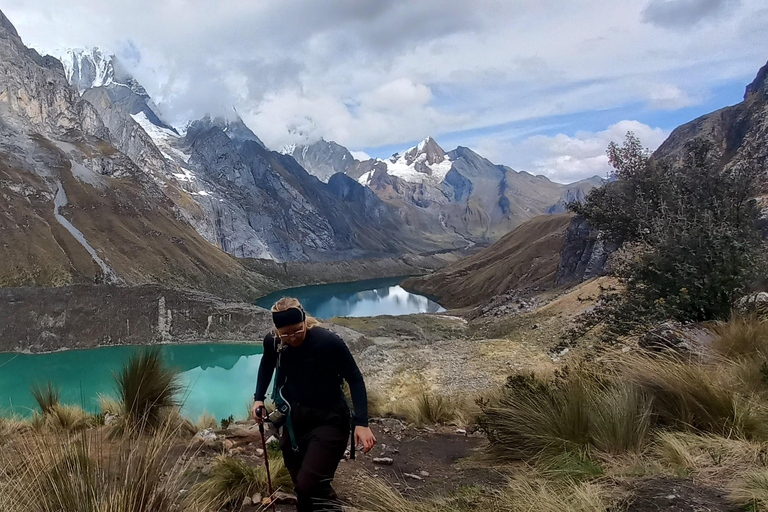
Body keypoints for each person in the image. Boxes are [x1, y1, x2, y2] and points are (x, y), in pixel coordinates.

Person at [252, 297, 376, 511]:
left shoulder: (327, 341)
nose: (292, 338)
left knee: (308, 486)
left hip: (330, 419)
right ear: (277, 329)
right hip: (295, 422)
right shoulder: (273, 342)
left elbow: (354, 378)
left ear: (305, 321)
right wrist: (258, 397)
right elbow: (266, 366)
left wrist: (362, 422)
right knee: (304, 484)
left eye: (298, 330)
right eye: (286, 333)